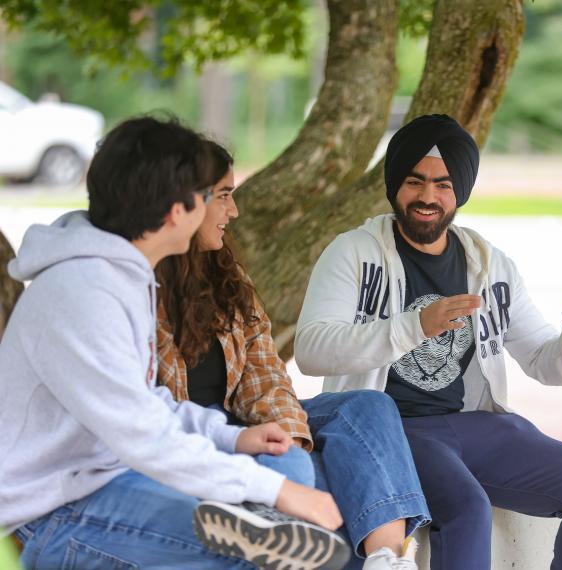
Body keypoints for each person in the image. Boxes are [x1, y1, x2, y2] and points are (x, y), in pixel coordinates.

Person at [0, 116, 348, 570]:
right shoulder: (81, 292)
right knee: (254, 555)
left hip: (103, 482)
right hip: (50, 513)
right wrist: (277, 492)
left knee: (277, 492)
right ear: (175, 210)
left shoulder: (120, 277)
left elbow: (149, 403)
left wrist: (233, 437)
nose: (221, 210)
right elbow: (143, 433)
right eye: (207, 197)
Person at [294, 114, 562, 570]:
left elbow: (546, 364)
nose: (428, 196)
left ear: (460, 192)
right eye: (415, 181)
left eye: (443, 185)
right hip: (392, 430)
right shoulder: (353, 252)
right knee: (466, 508)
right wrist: (415, 326)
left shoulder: (490, 265)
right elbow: (311, 349)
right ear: (395, 186)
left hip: (476, 427)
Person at [155, 140, 429, 570]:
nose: (235, 211)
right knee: (333, 489)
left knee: (367, 407)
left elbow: (266, 375)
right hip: (191, 439)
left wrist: (288, 443)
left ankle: (388, 560)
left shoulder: (226, 276)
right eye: (225, 195)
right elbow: (147, 413)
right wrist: (287, 469)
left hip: (245, 425)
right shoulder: (133, 284)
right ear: (185, 202)